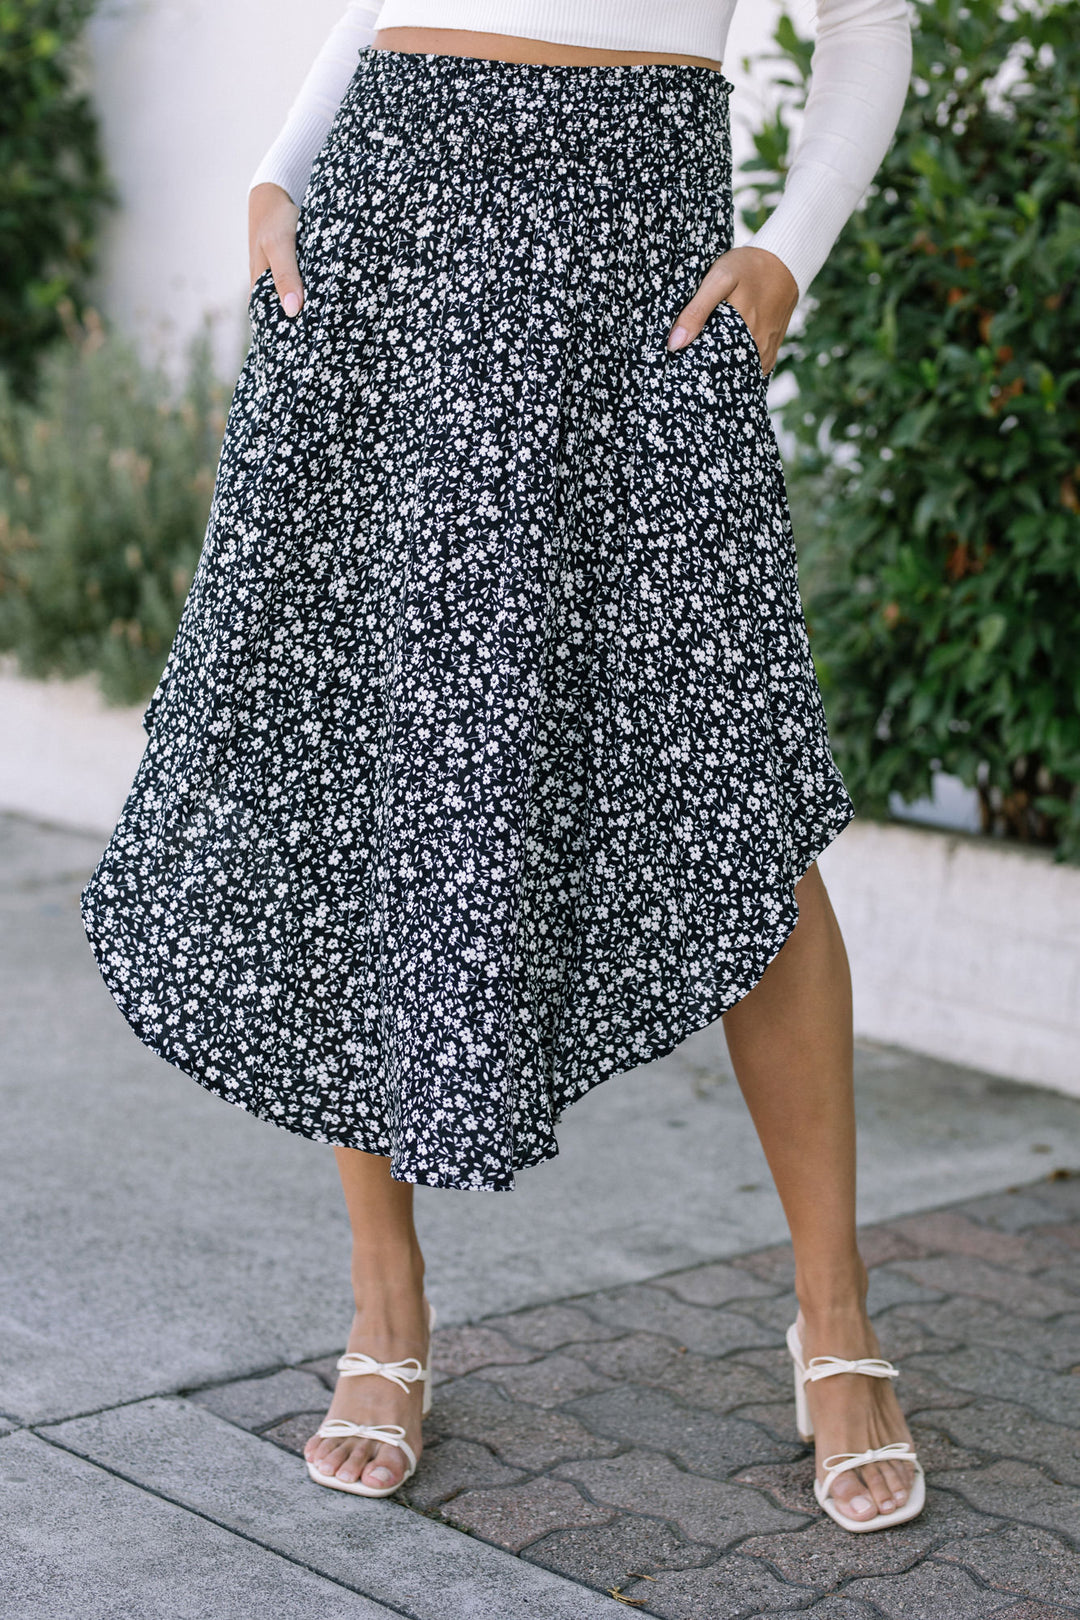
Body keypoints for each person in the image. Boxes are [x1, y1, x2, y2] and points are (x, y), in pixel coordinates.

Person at [81, 0, 923, 1534]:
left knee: (730, 776)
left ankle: (836, 1316)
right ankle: (386, 1307)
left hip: (636, 257)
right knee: (367, 760)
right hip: (388, 229)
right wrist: (281, 173)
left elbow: (869, 24)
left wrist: (790, 251)